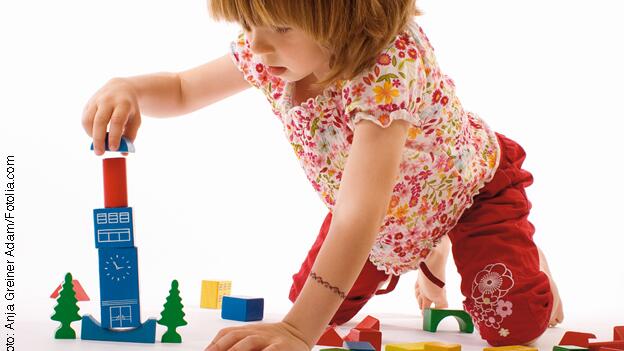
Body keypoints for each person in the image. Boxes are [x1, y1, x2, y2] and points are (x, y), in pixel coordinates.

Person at [81, 1, 564, 350]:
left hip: (469, 189)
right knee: (310, 302)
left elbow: (357, 214)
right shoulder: (267, 52)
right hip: (387, 216)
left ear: (350, 17)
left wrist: (295, 331)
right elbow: (185, 90)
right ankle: (431, 250)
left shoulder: (388, 72)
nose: (256, 43)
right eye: (248, 22)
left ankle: (513, 250)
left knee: (514, 324)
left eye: (280, 26)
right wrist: (129, 87)